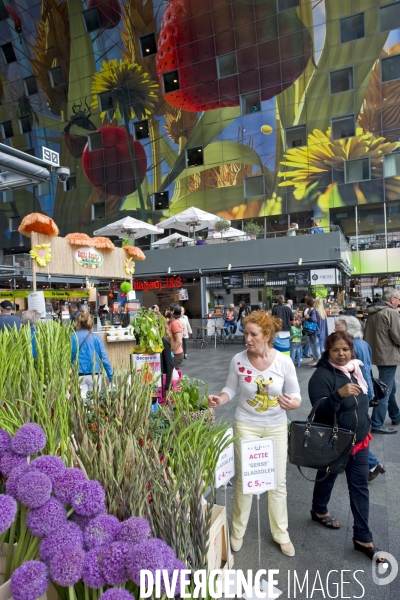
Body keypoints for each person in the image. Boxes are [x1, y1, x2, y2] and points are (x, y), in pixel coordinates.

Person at [208, 312, 301, 556]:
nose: (246, 338)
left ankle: (281, 533)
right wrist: (221, 399)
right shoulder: (238, 360)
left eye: (253, 334)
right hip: (246, 424)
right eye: (246, 333)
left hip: (277, 426)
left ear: (267, 336)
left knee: (278, 482)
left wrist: (293, 404)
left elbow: (296, 395)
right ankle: (237, 530)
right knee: (245, 480)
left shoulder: (283, 361)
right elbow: (230, 388)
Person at [308, 331, 386, 564]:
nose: (341, 354)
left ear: (351, 350)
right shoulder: (321, 376)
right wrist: (338, 395)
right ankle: (319, 509)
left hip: (359, 441)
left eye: (345, 349)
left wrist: (366, 424)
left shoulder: (356, 370)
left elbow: (362, 404)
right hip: (336, 440)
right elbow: (319, 410)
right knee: (328, 476)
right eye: (335, 350)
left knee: (359, 487)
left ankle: (363, 537)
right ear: (327, 351)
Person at [335, 316, 385, 482]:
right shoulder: (364, 344)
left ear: (347, 329)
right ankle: (367, 462)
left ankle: (371, 463)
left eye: (338, 327)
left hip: (356, 392)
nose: (335, 330)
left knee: (353, 430)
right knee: (360, 429)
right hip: (366, 389)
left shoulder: (351, 347)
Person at [363, 287, 400, 434]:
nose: (399, 302)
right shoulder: (391, 312)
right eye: (398, 299)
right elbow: (398, 337)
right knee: (386, 390)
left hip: (378, 354)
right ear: (392, 300)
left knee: (389, 387)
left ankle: (396, 415)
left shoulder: (374, 312)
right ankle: (377, 422)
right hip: (388, 356)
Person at [71, 311, 113, 400]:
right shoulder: (96, 338)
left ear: (77, 322)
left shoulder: (72, 337)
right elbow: (104, 358)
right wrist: (111, 376)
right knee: (94, 404)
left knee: (81, 405)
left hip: (78, 375)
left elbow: (68, 358)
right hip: (95, 375)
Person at [302, 297, 318, 366]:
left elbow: (313, 319)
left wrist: (307, 317)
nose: (304, 303)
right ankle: (314, 359)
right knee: (311, 345)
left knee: (313, 345)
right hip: (309, 330)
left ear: (308, 303)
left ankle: (316, 360)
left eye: (305, 302)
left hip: (311, 330)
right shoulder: (309, 309)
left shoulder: (312, 310)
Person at [169, 304, 184, 368]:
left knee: (173, 375)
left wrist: (171, 353)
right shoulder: (175, 322)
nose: (166, 311)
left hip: (176, 354)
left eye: (168, 309)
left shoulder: (174, 323)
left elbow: (179, 341)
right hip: (176, 353)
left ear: (172, 312)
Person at [314, 297, 328, 362]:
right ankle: (323, 360)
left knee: (317, 347)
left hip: (317, 331)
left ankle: (318, 361)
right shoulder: (323, 312)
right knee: (322, 348)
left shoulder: (315, 311)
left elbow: (314, 321)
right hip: (323, 332)